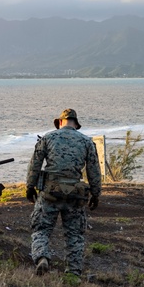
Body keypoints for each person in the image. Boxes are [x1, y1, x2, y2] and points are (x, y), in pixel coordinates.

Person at [25, 109, 102, 276]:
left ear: (60, 122)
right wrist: (96, 194)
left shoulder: (47, 138)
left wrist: (30, 187)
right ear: (76, 124)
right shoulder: (87, 142)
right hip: (75, 194)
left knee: (41, 229)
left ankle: (42, 257)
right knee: (74, 235)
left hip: (49, 192)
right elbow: (94, 171)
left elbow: (35, 165)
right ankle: (73, 273)